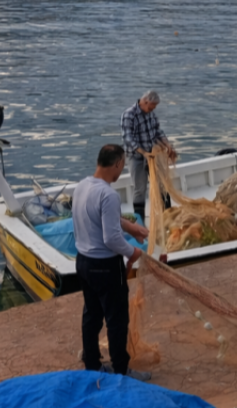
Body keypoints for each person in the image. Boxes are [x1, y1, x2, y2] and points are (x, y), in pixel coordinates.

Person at [73, 144, 152, 379]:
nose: (122, 170)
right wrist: (133, 252)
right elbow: (111, 239)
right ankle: (121, 369)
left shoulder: (82, 185)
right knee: (117, 319)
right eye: (123, 165)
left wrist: (132, 227)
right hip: (105, 266)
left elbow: (107, 219)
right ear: (117, 164)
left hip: (84, 262)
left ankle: (92, 363)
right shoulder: (109, 194)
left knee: (92, 315)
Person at [121, 90, 176, 221]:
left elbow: (157, 131)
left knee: (162, 184)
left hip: (153, 155)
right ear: (145, 102)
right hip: (136, 157)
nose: (154, 109)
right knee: (140, 189)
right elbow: (128, 138)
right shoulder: (129, 115)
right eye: (152, 106)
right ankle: (139, 220)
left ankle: (168, 216)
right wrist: (143, 152)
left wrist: (167, 145)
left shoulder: (151, 114)